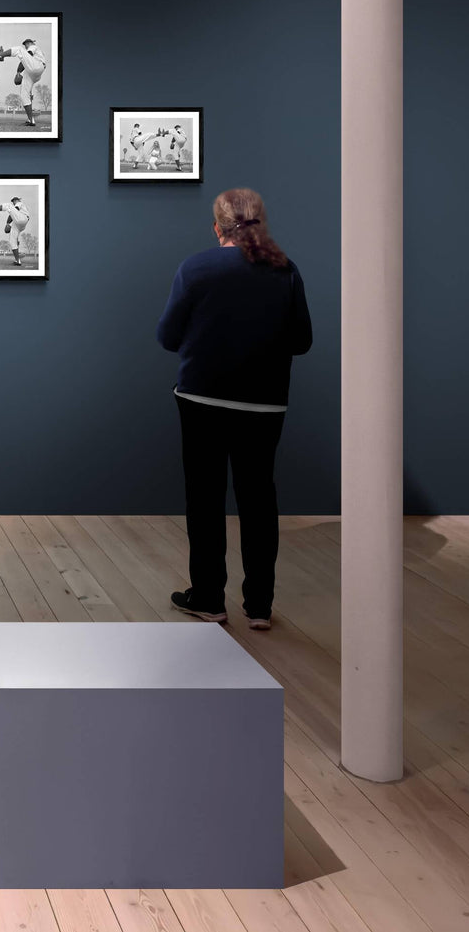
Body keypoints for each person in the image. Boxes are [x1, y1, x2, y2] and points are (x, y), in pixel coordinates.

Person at [157, 188, 312, 630]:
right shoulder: (286, 270)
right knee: (259, 498)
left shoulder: (196, 267)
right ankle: (259, 606)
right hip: (264, 404)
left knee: (204, 498)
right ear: (260, 223)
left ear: (216, 228)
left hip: (201, 398)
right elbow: (302, 341)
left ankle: (208, 598)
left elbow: (168, 337)